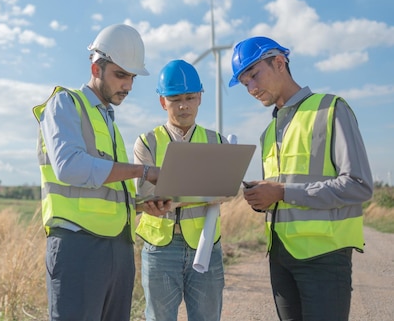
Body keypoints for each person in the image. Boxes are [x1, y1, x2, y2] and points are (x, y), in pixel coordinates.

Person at [228, 36, 374, 321]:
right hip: (280, 258)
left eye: (255, 75)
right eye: (245, 83)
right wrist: (262, 199)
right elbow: (282, 192)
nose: (252, 88)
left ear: (280, 62)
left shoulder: (330, 109)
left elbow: (359, 185)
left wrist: (283, 193)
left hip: (324, 258)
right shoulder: (268, 133)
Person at [32, 24, 164, 321]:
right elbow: (70, 167)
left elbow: (105, 189)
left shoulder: (110, 124)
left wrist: (141, 206)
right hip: (78, 249)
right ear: (96, 68)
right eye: (121, 75)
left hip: (118, 249)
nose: (128, 85)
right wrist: (143, 171)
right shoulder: (65, 104)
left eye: (132, 77)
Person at [134, 59, 226, 321]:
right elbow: (147, 197)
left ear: (200, 98)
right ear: (163, 102)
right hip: (160, 247)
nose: (183, 105)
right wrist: (204, 191)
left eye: (190, 97)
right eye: (175, 99)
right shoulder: (147, 142)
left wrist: (173, 193)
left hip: (206, 244)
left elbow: (227, 190)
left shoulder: (215, 140)